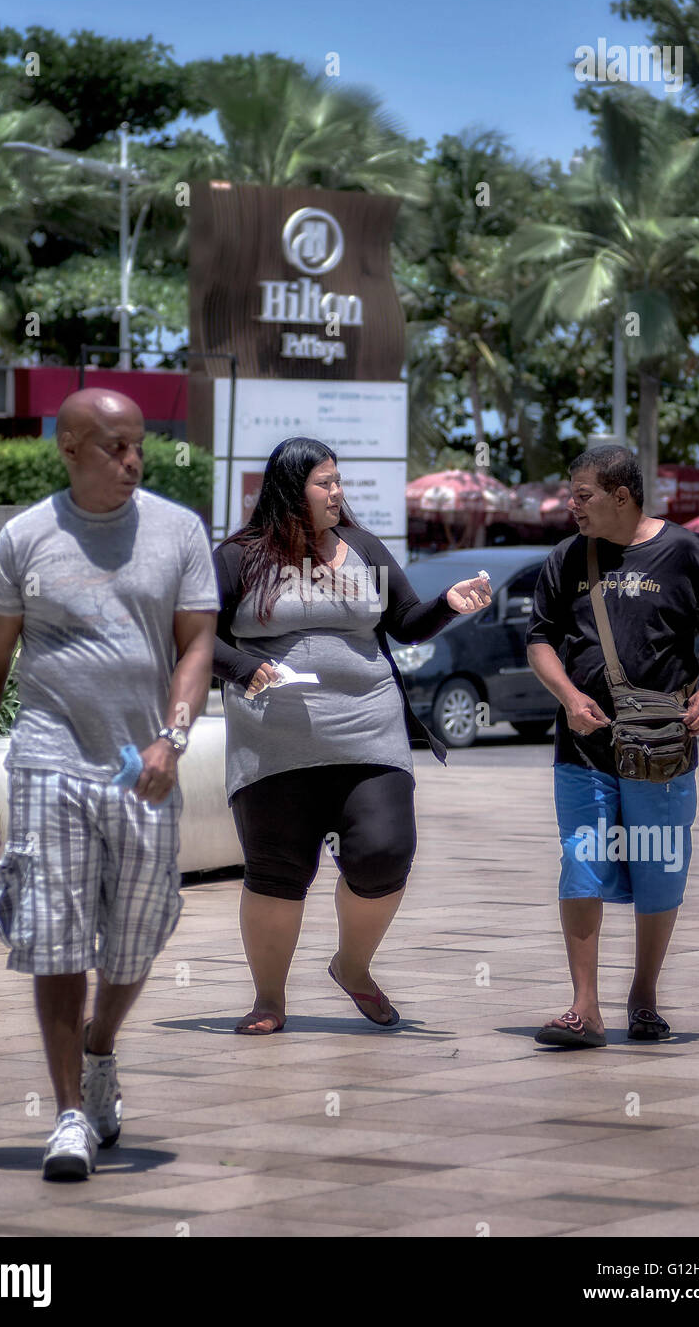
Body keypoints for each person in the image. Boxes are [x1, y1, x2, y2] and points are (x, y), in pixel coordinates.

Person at [0, 388, 219, 1179]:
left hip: (143, 767)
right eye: (114, 446)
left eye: (139, 444)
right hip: (48, 759)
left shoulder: (178, 530)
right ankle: (68, 1113)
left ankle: (101, 1050)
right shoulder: (25, 536)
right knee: (57, 934)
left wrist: (172, 739)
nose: (133, 460)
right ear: (68, 448)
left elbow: (197, 645)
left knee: (140, 934)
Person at [212, 436, 492, 1035]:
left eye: (339, 481)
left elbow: (408, 623)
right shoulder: (238, 557)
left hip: (370, 728)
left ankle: (353, 966)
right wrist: (243, 668)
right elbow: (192, 634)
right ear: (292, 489)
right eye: (324, 482)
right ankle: (269, 1000)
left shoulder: (362, 548)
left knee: (385, 852)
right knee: (277, 871)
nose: (337, 493)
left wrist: (448, 602)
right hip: (274, 742)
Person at [525, 445, 699, 1047]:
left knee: (660, 871)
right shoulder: (568, 558)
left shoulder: (683, 551)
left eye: (583, 495)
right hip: (583, 749)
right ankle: (585, 1009)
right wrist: (570, 698)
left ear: (622, 497)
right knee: (581, 862)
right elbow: (539, 640)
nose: (571, 505)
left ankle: (643, 996)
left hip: (661, 751)